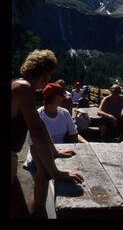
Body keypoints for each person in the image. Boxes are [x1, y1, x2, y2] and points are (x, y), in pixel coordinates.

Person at [11, 50, 84, 218]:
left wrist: (55, 151)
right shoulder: (24, 89)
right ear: (44, 74)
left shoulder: (19, 85)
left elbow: (40, 125)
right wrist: (55, 172)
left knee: (19, 209)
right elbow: (36, 135)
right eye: (50, 75)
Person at [23, 82, 88, 216]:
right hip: (38, 155)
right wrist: (41, 167)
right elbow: (33, 145)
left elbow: (75, 135)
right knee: (41, 189)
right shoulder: (38, 115)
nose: (64, 97)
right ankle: (35, 213)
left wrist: (87, 144)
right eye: (62, 94)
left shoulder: (64, 113)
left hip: (56, 152)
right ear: (56, 97)